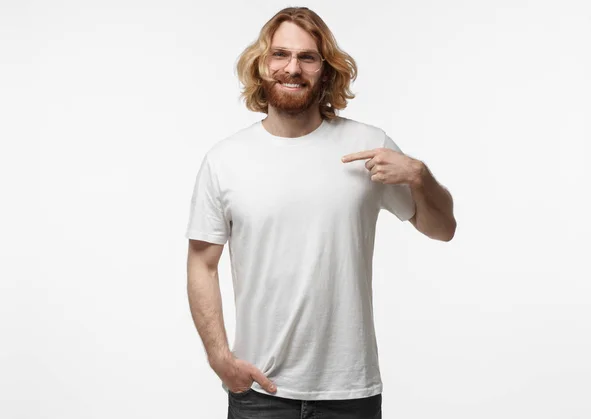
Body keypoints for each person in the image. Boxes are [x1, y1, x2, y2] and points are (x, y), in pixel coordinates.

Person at [185, 6, 456, 418]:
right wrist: (220, 358)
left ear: (325, 71)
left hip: (349, 394)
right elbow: (202, 264)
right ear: (262, 65)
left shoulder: (369, 146)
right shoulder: (225, 161)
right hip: (260, 394)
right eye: (280, 55)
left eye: (307, 57)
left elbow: (442, 229)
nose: (293, 68)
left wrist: (419, 175)